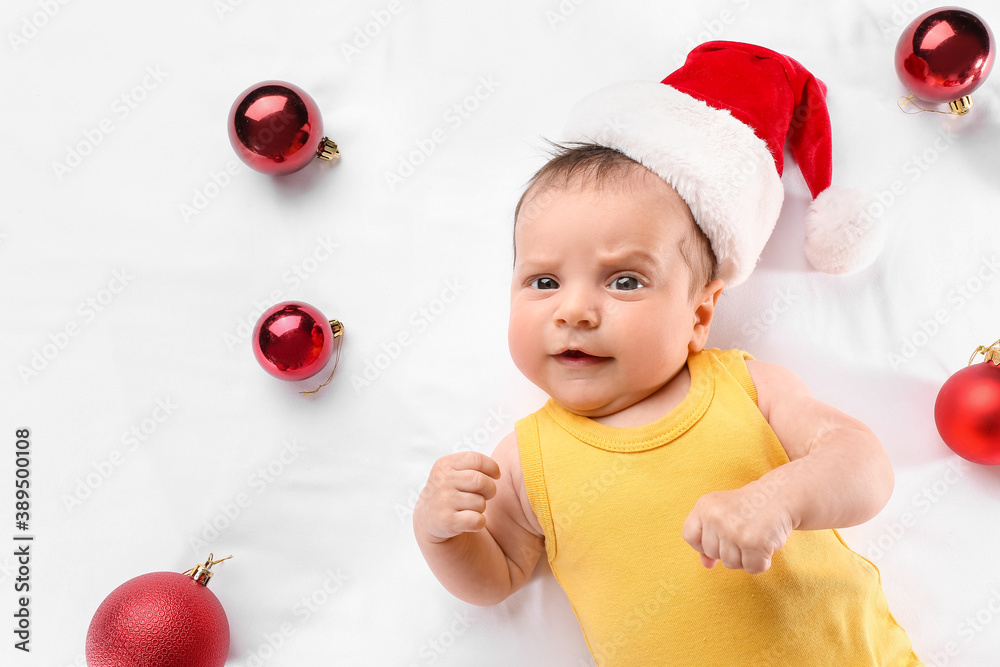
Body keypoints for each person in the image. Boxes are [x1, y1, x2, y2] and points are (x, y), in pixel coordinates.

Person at [414, 42, 921, 665]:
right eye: (543, 282)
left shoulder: (745, 388)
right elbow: (496, 579)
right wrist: (441, 535)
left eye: (624, 280)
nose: (573, 310)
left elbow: (864, 467)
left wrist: (779, 499)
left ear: (700, 316)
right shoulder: (525, 459)